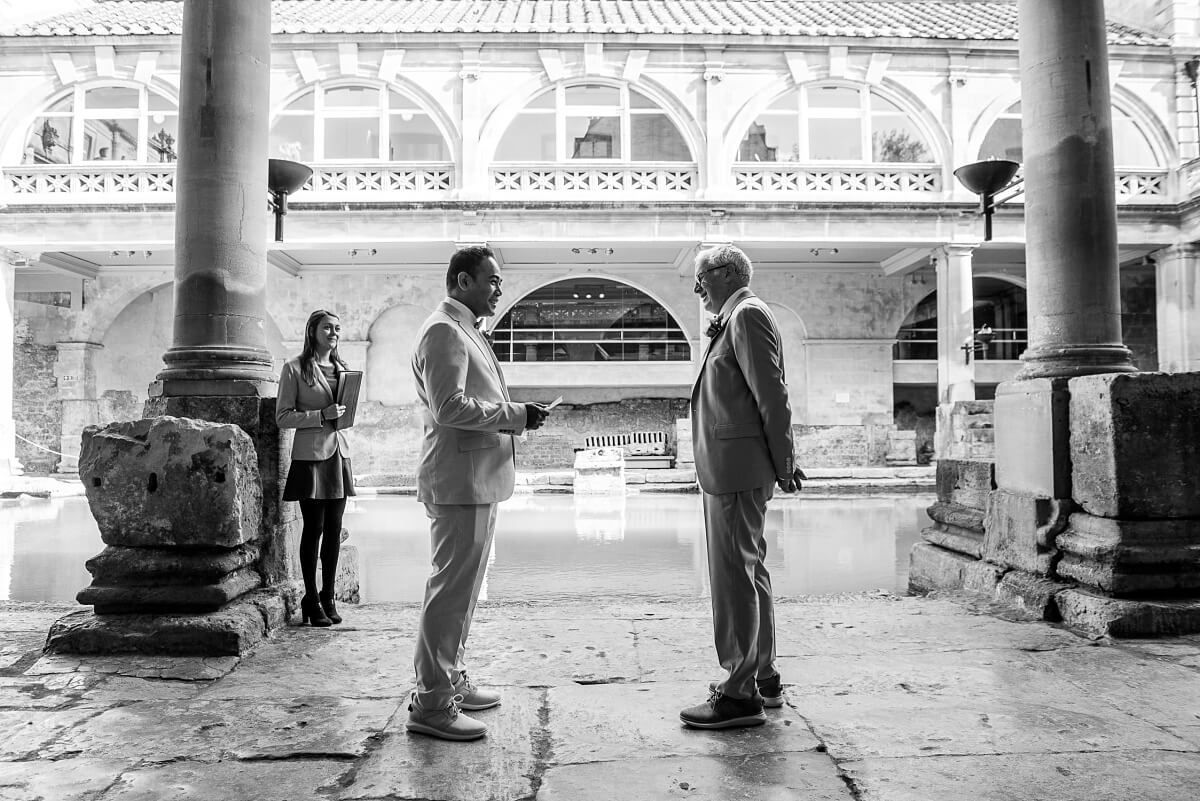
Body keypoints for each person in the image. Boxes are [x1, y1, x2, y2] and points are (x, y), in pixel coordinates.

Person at [407, 245, 551, 741]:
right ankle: (430, 704)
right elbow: (449, 408)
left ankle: (450, 678)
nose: (499, 288)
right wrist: (518, 417)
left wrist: (517, 412)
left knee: (464, 592)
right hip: (458, 480)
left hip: (477, 478)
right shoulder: (444, 330)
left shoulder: (465, 328)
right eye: (491, 280)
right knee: (448, 592)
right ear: (463, 281)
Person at [680, 243, 805, 730]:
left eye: (702, 278)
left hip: (736, 471)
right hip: (734, 467)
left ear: (728, 273)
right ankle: (764, 676)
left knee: (734, 580)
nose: (696, 289)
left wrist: (785, 461)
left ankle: (738, 694)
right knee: (751, 574)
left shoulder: (748, 315)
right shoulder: (737, 317)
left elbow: (772, 393)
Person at [276, 309, 355, 628]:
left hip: (339, 454)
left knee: (335, 530)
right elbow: (282, 417)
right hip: (310, 456)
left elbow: (344, 414)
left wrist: (343, 416)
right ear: (312, 331)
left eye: (338, 328)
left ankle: (328, 595)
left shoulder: (344, 369)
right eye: (327, 327)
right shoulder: (294, 369)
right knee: (314, 528)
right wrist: (320, 415)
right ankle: (309, 596)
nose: (334, 332)